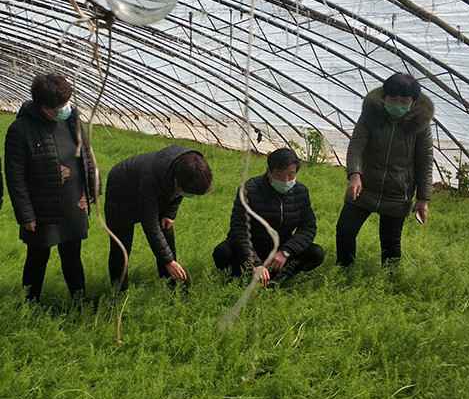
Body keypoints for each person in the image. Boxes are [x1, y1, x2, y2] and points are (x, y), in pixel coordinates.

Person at [4, 73, 97, 301]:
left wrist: (92, 190)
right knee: (37, 257)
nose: (64, 109)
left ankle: (79, 301)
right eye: (58, 107)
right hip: (42, 209)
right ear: (41, 106)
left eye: (66, 103)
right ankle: (30, 304)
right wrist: (26, 215)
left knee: (72, 256)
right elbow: (15, 176)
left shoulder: (72, 119)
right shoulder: (21, 130)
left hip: (74, 204)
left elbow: (86, 154)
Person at [336, 73, 433, 269]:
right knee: (345, 230)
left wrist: (423, 199)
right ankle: (344, 270)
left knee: (390, 242)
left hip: (397, 191)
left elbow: (425, 161)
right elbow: (357, 146)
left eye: (404, 101)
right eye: (393, 99)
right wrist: (355, 175)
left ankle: (391, 280)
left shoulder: (420, 125)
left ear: (413, 102)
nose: (398, 105)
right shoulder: (371, 115)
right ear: (384, 98)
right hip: (365, 187)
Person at [105, 145, 212, 290]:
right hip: (121, 193)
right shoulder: (151, 178)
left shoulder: (191, 165)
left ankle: (171, 286)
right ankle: (119, 292)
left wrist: (169, 214)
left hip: (154, 188)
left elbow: (180, 192)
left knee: (166, 231)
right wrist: (168, 261)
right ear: (177, 181)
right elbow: (150, 224)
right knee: (121, 247)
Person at [213, 148, 324, 286]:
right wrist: (254, 262)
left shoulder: (300, 192)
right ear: (269, 171)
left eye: (291, 175)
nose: (286, 180)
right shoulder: (249, 189)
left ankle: (278, 278)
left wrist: (285, 252)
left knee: (316, 253)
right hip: (251, 246)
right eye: (279, 175)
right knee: (222, 252)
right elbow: (239, 229)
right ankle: (245, 275)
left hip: (280, 247)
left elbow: (308, 227)